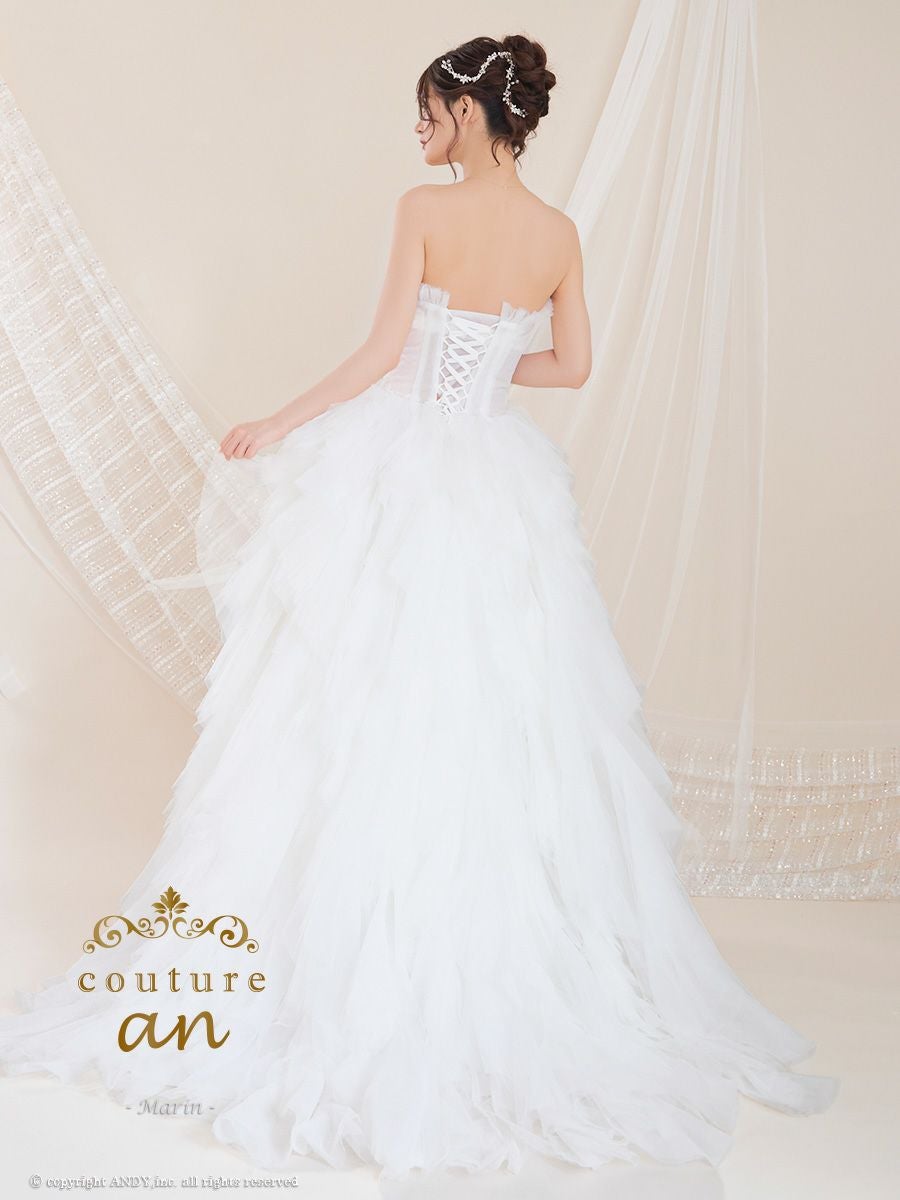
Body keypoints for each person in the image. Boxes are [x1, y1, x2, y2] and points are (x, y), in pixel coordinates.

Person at [0, 34, 838, 1181]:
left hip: (404, 469)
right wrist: (486, 368)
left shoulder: (425, 210)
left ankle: (324, 950)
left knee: (355, 693)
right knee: (493, 709)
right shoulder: (558, 233)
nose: (420, 130)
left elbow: (380, 354)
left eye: (431, 112)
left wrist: (277, 423)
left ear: (471, 113)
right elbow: (572, 367)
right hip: (496, 483)